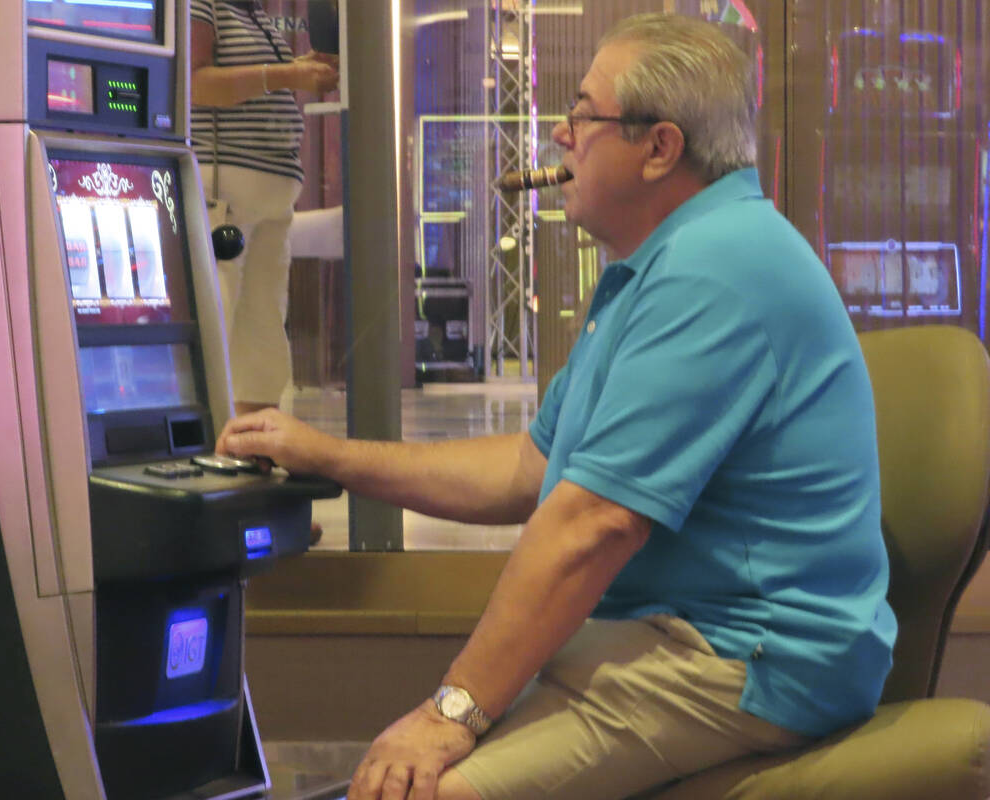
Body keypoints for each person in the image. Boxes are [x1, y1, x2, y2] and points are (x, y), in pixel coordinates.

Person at [216, 12, 897, 800]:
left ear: (660, 148)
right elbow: (527, 467)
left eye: (582, 115)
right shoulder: (660, 263)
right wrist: (329, 456)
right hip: (673, 632)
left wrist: (453, 711)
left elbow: (594, 524)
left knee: (424, 793)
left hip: (749, 657)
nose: (562, 136)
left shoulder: (716, 270)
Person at [189, 0, 338, 415]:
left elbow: (252, 80)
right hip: (225, 191)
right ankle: (210, 440)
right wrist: (290, 73)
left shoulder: (250, 11)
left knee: (264, 327)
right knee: (219, 315)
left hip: (269, 195)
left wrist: (295, 68)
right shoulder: (204, 5)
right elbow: (195, 83)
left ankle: (254, 443)